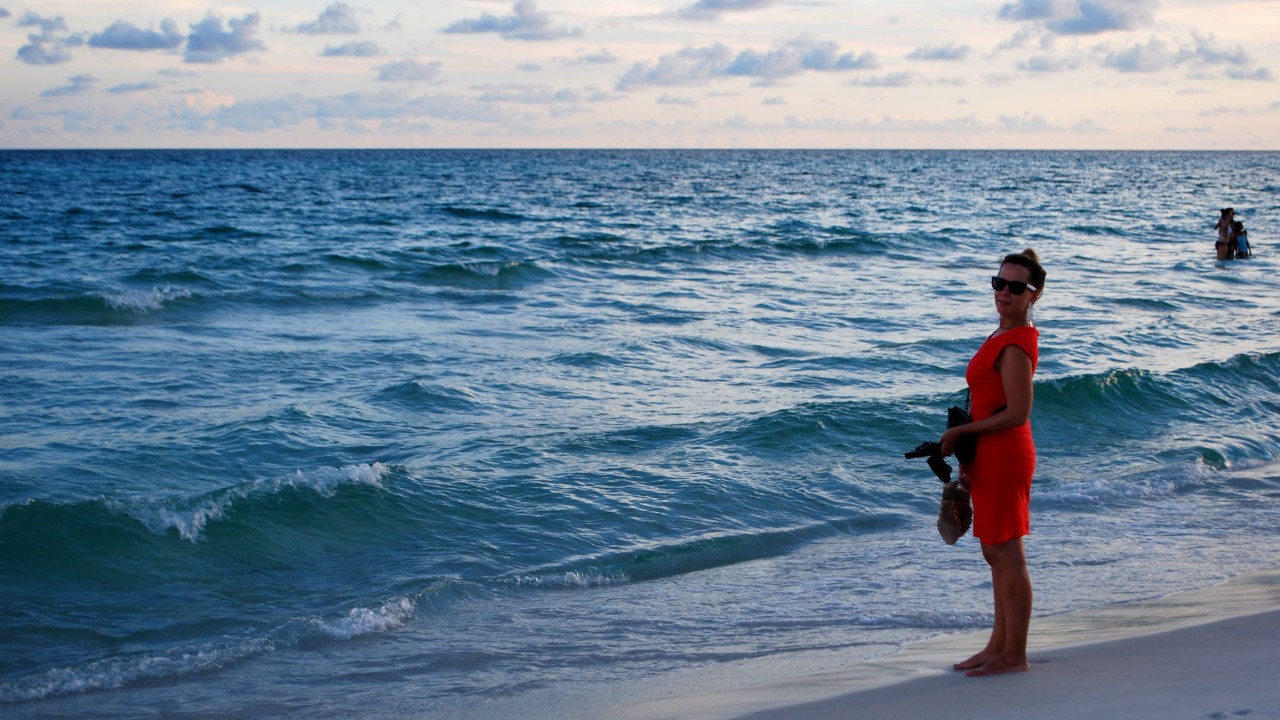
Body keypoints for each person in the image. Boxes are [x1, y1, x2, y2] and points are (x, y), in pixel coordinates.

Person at [939, 249, 1044, 677]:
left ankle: (1015, 655)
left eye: (1016, 287)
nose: (1004, 292)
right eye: (999, 283)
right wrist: (969, 447)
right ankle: (998, 645)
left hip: (1006, 454)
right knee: (993, 553)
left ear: (1033, 294)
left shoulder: (1016, 342)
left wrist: (962, 432)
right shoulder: (1003, 332)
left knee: (1008, 555)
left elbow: (1018, 413)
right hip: (989, 453)